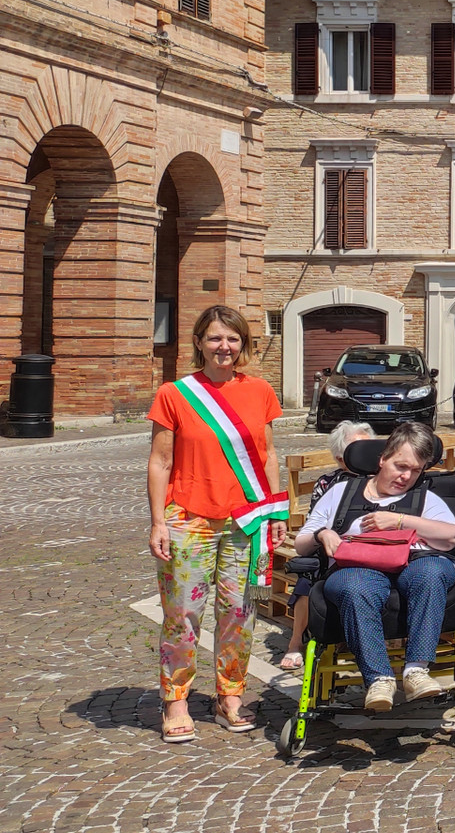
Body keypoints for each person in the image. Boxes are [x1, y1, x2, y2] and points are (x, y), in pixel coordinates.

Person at [146, 305, 285, 742]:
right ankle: (176, 701)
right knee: (183, 614)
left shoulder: (259, 390)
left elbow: (266, 457)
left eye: (232, 339)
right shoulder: (175, 393)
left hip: (245, 520)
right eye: (215, 338)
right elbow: (160, 460)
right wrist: (157, 521)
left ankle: (230, 695)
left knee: (240, 613)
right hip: (189, 518)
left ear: (243, 344)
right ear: (199, 343)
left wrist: (276, 512)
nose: (224, 347)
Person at [297, 422, 455, 713]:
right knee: (353, 586)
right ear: (383, 458)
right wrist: (323, 534)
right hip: (358, 566)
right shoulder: (341, 493)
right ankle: (379, 679)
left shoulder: (425, 497)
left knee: (433, 572)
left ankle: (416, 671)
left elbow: (451, 535)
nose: (406, 476)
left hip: (417, 564)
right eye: (400, 466)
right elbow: (300, 544)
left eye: (415, 471)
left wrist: (402, 521)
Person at [277, 420, 376, 673]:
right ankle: (296, 642)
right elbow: (315, 523)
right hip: (333, 547)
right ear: (341, 458)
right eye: (357, 450)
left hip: (374, 549)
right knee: (308, 577)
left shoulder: (383, 480)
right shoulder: (328, 483)